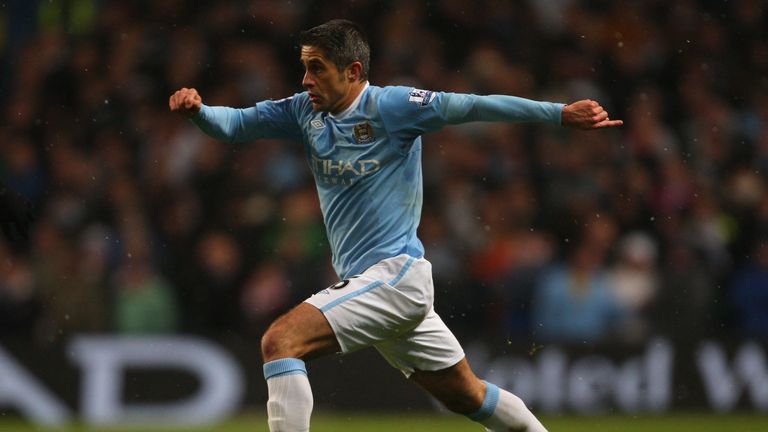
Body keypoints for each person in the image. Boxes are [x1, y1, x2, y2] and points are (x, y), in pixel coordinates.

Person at [169, 19, 622, 432]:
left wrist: (559, 113)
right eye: (304, 68)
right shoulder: (304, 111)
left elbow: (473, 107)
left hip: (395, 276)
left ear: (353, 71)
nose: (306, 79)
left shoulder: (393, 106)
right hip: (376, 284)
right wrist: (200, 111)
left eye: (317, 68)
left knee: (280, 341)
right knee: (468, 395)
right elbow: (237, 124)